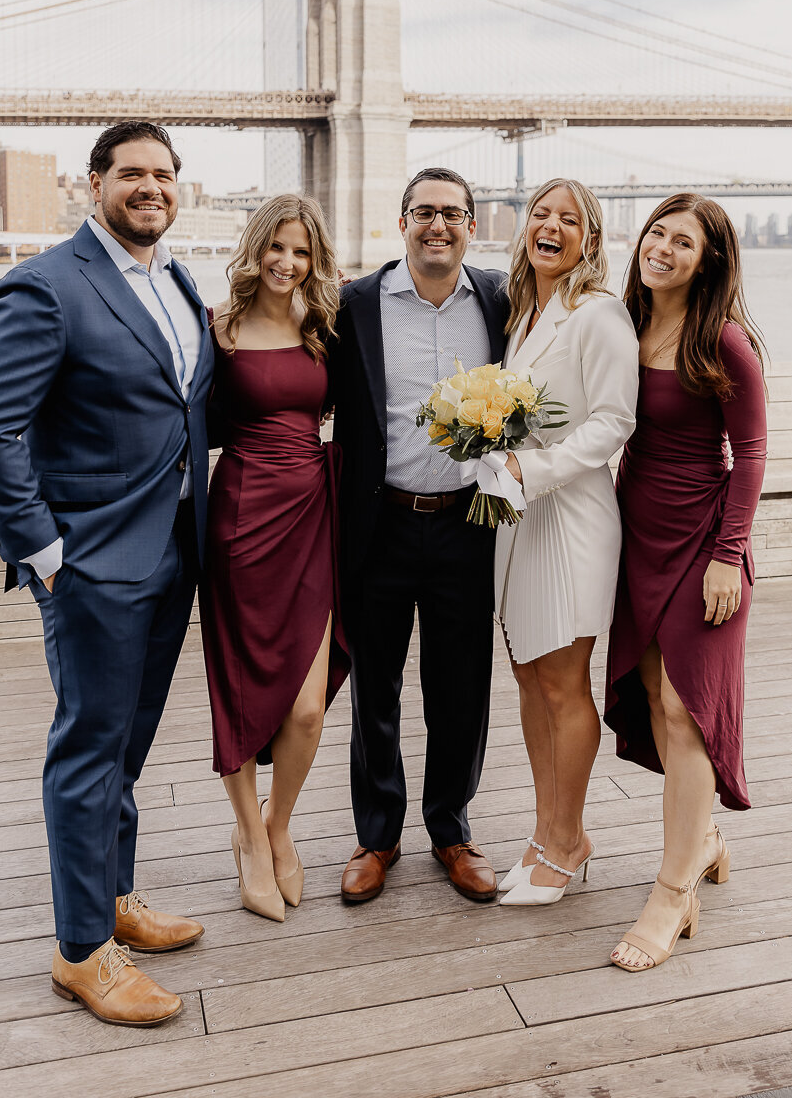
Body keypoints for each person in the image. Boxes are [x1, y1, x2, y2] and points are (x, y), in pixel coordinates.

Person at [0, 121, 213, 1026]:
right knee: (86, 752)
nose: (150, 187)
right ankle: (79, 951)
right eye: (130, 174)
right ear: (93, 184)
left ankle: (115, 896)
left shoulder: (175, 280)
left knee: (126, 746)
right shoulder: (46, 286)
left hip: (174, 550)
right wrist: (47, 554)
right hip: (95, 565)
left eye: (164, 174)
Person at [328, 168, 509, 903]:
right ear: (400, 222)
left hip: (468, 522)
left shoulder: (501, 299)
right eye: (424, 212)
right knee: (375, 686)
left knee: (461, 687)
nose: (438, 225)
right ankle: (377, 835)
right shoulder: (354, 305)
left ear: (472, 225)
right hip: (380, 523)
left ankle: (450, 829)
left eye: (453, 214)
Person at [605, 192, 767, 972]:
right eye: (657, 233)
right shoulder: (625, 325)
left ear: (707, 262)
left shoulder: (724, 341)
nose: (663, 248)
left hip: (701, 541)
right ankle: (701, 840)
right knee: (653, 700)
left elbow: (751, 457)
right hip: (633, 539)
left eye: (683, 242)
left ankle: (672, 893)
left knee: (684, 708)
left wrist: (728, 555)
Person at [199, 194, 348, 923]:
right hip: (241, 519)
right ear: (255, 251)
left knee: (308, 709)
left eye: (301, 252)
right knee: (240, 689)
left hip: (312, 515)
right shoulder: (216, 330)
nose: (287, 264)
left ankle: (278, 823)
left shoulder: (324, 327)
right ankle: (249, 842)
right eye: (276, 249)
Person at [491, 179, 639, 906]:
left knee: (562, 682)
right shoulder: (524, 315)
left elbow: (613, 423)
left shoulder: (598, 315)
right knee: (527, 676)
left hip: (571, 516)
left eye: (568, 219)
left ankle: (569, 839)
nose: (550, 227)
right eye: (540, 215)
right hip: (518, 520)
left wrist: (532, 467)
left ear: (590, 238)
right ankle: (548, 829)